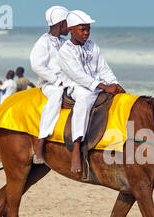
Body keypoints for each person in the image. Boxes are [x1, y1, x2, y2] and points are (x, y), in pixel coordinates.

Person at [58, 10, 125, 172]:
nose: (86, 32)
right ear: (71, 29)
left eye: (88, 29)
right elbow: (78, 76)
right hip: (76, 87)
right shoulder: (65, 51)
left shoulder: (92, 46)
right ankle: (76, 146)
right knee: (85, 98)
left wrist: (115, 84)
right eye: (83, 29)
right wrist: (104, 86)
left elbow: (103, 68)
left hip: (98, 85)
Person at [30, 5, 69, 164]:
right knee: (56, 97)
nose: (71, 26)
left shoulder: (64, 42)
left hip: (67, 81)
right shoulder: (43, 42)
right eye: (68, 23)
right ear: (60, 24)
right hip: (51, 84)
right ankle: (41, 141)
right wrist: (55, 80)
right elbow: (37, 65)